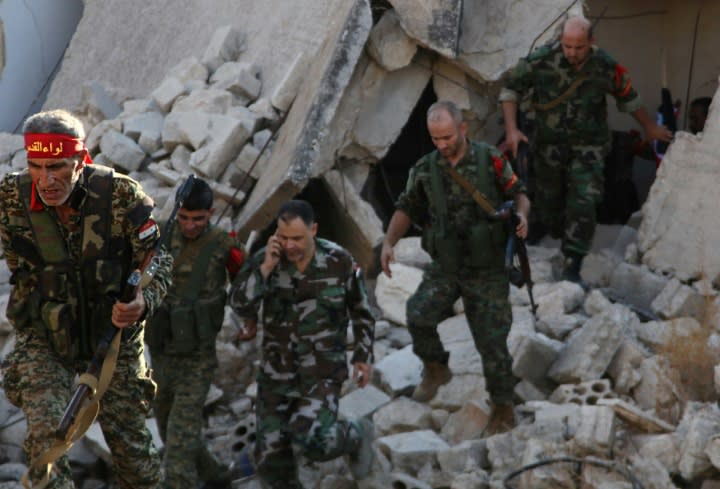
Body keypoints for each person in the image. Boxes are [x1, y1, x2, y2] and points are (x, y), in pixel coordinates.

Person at [0, 109, 172, 489]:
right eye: (35, 166)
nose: (45, 179)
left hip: (113, 337)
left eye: (56, 166)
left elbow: (159, 260)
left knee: (135, 460)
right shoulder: (12, 197)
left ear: (80, 159)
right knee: (47, 438)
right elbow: (20, 268)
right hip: (47, 334)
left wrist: (143, 300)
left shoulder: (121, 195)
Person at [380, 100, 530, 428]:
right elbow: (406, 207)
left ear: (463, 128)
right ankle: (436, 368)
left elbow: (519, 193)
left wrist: (521, 215)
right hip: (446, 266)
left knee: (491, 341)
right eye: (436, 139)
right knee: (418, 314)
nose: (442, 145)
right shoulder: (424, 168)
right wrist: (389, 242)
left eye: (447, 137)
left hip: (486, 268)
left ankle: (503, 407)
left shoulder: (489, 158)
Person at [499, 16, 672, 283]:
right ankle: (557, 233)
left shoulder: (604, 65)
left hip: (588, 148)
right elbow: (510, 89)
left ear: (591, 42)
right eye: (567, 46)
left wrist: (650, 128)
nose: (571, 52)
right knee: (550, 205)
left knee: (585, 199)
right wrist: (512, 130)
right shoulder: (542, 61)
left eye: (578, 47)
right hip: (549, 148)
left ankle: (573, 264)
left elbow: (628, 96)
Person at [229, 200, 376, 489]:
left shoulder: (338, 260)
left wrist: (362, 356)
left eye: (297, 238)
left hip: (321, 374)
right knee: (271, 460)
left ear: (314, 230)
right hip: (276, 375)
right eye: (283, 237)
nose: (290, 245)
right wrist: (265, 269)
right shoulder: (265, 259)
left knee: (312, 441)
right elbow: (239, 304)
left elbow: (362, 312)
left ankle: (356, 432)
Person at [146, 177, 249, 489]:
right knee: (168, 428)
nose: (190, 225)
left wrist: (249, 319)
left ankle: (180, 483)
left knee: (179, 440)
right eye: (185, 217)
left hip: (197, 358)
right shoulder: (158, 236)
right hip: (161, 353)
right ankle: (216, 476)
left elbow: (245, 285)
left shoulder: (222, 245)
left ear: (211, 213)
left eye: (199, 219)